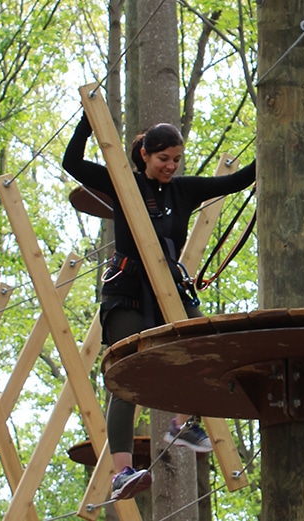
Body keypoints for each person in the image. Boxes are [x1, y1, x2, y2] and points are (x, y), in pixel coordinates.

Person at [63, 112, 255, 500]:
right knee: (128, 373)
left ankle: (182, 422)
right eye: (163, 159)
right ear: (145, 156)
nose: (170, 166)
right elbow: (73, 163)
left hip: (170, 288)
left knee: (207, 346)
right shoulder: (125, 184)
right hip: (129, 293)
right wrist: (88, 122)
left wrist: (272, 142)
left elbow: (236, 181)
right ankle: (121, 473)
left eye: (176, 160)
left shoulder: (184, 190)